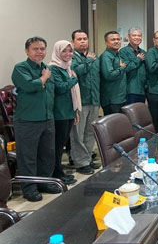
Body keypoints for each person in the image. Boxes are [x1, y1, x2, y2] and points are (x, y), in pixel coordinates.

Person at [11, 37, 62, 202]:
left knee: (47, 155)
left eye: (42, 49)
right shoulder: (20, 68)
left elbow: (52, 92)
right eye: (35, 49)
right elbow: (29, 86)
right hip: (28, 120)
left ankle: (44, 182)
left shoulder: (47, 68)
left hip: (47, 118)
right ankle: (29, 188)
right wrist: (44, 78)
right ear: (27, 51)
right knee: (28, 157)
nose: (39, 52)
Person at [48, 41, 82, 182]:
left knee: (61, 143)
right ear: (57, 52)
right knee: (57, 145)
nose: (68, 54)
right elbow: (60, 88)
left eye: (70, 51)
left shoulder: (67, 67)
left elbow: (71, 94)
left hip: (68, 111)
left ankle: (59, 171)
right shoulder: (53, 68)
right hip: (59, 112)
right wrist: (73, 79)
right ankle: (56, 173)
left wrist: (75, 111)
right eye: (64, 51)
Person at [71, 30, 100, 173]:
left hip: (94, 100)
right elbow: (76, 72)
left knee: (90, 132)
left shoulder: (93, 56)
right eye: (79, 39)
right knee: (78, 134)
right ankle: (80, 163)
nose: (83, 41)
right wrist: (88, 61)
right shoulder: (71, 57)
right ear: (73, 42)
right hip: (80, 102)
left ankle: (87, 158)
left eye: (85, 39)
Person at [99, 31, 126, 115]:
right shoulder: (106, 56)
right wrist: (121, 68)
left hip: (120, 98)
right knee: (113, 126)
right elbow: (109, 75)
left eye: (118, 39)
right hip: (111, 100)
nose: (116, 41)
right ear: (106, 43)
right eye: (113, 39)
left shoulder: (117, 55)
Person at [119, 27, 147, 104]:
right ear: (129, 37)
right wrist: (138, 59)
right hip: (130, 90)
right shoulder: (123, 51)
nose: (137, 37)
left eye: (139, 35)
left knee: (140, 114)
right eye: (134, 35)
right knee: (130, 114)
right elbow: (126, 68)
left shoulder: (143, 52)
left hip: (142, 89)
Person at [145, 30, 158, 131]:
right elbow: (152, 68)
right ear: (154, 40)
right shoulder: (151, 52)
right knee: (155, 118)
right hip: (154, 90)